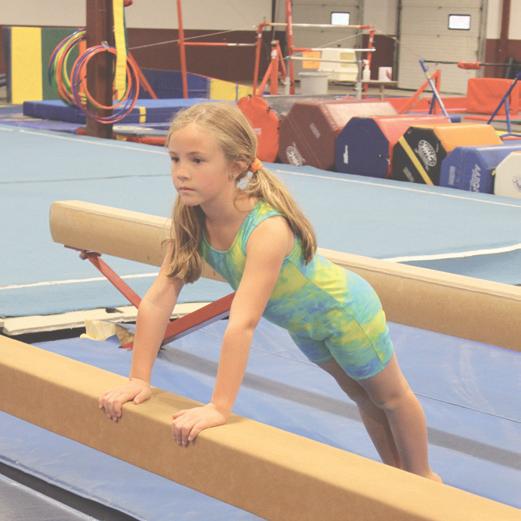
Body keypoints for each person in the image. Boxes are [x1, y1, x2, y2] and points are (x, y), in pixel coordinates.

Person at [99, 102, 440, 481]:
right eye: (175, 159)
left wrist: (219, 406)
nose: (181, 172)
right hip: (304, 326)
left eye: (197, 160)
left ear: (236, 166)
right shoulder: (191, 219)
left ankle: (425, 480)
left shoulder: (266, 229)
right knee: (362, 396)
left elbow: (242, 323)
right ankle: (399, 480)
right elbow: (158, 299)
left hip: (343, 313)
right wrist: (138, 379)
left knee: (390, 398)